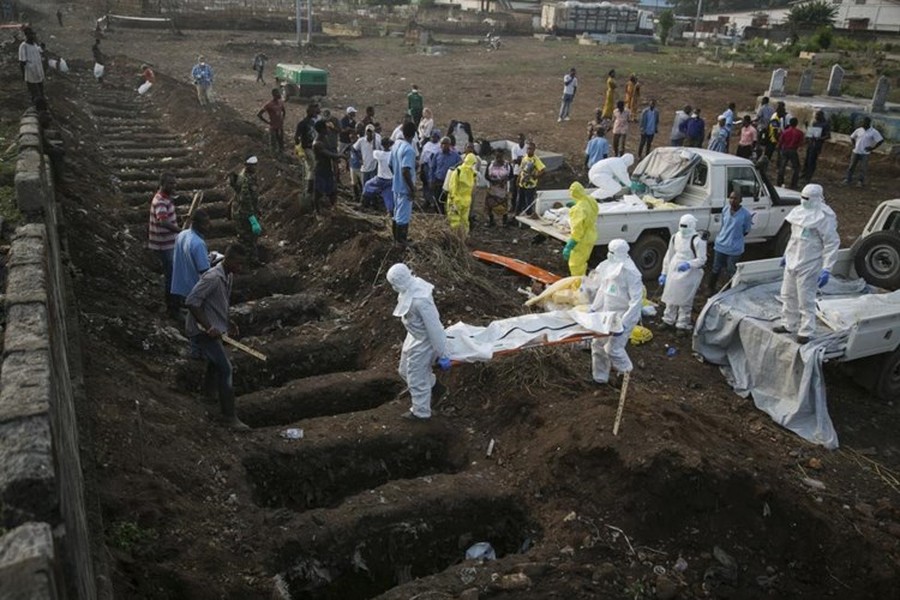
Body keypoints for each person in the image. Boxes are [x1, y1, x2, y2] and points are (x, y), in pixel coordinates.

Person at [185, 243, 250, 431]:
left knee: (215, 363)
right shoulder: (213, 278)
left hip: (212, 328)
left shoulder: (227, 276)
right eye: (238, 264)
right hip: (201, 332)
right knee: (226, 369)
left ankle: (207, 396)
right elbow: (191, 302)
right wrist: (209, 327)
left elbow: (219, 302)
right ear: (228, 260)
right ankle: (229, 417)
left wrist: (228, 322)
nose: (240, 268)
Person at [773, 184, 840, 344]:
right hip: (792, 261)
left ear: (816, 199)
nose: (804, 201)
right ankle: (789, 323)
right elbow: (794, 238)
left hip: (809, 264)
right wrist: (786, 255)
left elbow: (832, 243)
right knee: (787, 294)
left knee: (805, 298)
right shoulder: (798, 213)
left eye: (807, 199)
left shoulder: (824, 217)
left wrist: (827, 269)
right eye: (802, 197)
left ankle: (806, 330)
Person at [386, 263, 451, 421]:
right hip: (413, 336)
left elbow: (435, 328)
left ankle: (421, 413)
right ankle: (436, 389)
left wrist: (442, 354)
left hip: (424, 343)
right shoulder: (407, 290)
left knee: (416, 377)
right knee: (404, 371)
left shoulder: (421, 301)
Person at [586, 239, 643, 387]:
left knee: (613, 349)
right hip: (606, 314)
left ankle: (625, 374)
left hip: (622, 316)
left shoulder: (631, 273)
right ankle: (600, 378)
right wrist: (594, 307)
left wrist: (623, 324)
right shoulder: (609, 267)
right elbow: (603, 290)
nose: (609, 255)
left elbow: (636, 302)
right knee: (598, 344)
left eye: (612, 252)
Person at [658, 214, 707, 335]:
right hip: (674, 269)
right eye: (681, 226)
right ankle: (668, 320)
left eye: (686, 226)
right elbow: (669, 255)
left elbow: (702, 259)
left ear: (692, 226)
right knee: (671, 296)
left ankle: (682, 323)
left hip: (690, 272)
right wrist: (664, 273)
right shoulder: (675, 237)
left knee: (686, 299)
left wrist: (689, 264)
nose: (683, 228)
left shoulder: (697, 241)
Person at [148, 172, 181, 317]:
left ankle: (176, 304)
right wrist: (181, 231)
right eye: (171, 184)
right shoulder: (160, 201)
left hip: (168, 242)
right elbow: (163, 221)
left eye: (174, 183)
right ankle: (173, 308)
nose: (174, 186)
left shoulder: (166, 199)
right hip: (164, 244)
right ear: (163, 184)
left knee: (172, 274)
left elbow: (167, 217)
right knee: (172, 276)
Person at [708, 191, 752, 293]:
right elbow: (723, 225)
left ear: (740, 200)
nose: (732, 200)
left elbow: (746, 230)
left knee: (731, 271)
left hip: (734, 248)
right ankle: (710, 289)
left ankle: (728, 292)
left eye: (735, 198)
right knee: (716, 268)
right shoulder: (725, 209)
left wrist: (734, 238)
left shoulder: (745, 215)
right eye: (731, 198)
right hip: (720, 245)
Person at [171, 209, 211, 306]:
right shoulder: (198, 244)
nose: (208, 226)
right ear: (196, 224)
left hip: (180, 286)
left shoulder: (182, 234)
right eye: (205, 224)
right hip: (193, 288)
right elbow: (204, 271)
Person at [229, 156, 262, 264]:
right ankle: (244, 263)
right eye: (253, 165)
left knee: (251, 239)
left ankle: (253, 260)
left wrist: (257, 210)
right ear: (248, 165)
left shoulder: (250, 177)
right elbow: (245, 200)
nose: (255, 167)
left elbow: (253, 198)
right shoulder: (245, 180)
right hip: (243, 213)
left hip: (247, 212)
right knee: (246, 240)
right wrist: (252, 218)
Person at [390, 121, 418, 246]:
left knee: (397, 213)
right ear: (413, 134)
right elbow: (405, 170)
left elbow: (390, 164)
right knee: (403, 215)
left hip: (396, 186)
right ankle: (401, 241)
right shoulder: (409, 150)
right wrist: (412, 189)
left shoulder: (396, 145)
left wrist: (396, 177)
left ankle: (396, 239)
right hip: (404, 188)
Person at [562, 182, 598, 276]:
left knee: (575, 265)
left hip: (582, 239)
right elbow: (593, 210)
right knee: (583, 260)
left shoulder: (578, 210)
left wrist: (570, 245)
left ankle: (578, 285)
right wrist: (577, 202)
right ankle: (582, 281)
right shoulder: (590, 200)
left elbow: (577, 231)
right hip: (591, 234)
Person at [844, 117, 883, 187]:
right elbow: (852, 137)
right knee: (851, 166)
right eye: (862, 122)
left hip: (865, 153)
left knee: (863, 168)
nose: (862, 123)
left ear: (868, 123)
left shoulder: (873, 132)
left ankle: (860, 182)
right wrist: (854, 145)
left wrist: (872, 148)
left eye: (864, 122)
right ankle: (848, 179)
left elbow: (880, 140)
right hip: (856, 151)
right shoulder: (859, 130)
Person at [312, 120, 343, 211]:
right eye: (326, 127)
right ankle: (317, 211)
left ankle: (332, 210)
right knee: (318, 193)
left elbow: (331, 152)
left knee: (332, 192)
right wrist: (340, 156)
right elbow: (328, 154)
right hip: (320, 170)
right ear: (322, 129)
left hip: (327, 169)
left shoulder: (324, 139)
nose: (328, 129)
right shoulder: (317, 143)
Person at [446, 153, 478, 239]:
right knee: (454, 221)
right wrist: (454, 201)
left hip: (466, 202)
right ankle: (455, 238)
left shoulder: (472, 173)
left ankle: (463, 237)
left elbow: (472, 188)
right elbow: (453, 187)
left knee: (464, 221)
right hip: (456, 201)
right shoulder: (458, 171)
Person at [429, 136, 461, 214]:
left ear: (449, 145)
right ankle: (439, 214)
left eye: (446, 144)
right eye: (442, 143)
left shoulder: (455, 156)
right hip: (438, 181)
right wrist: (431, 180)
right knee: (437, 199)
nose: (444, 145)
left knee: (448, 200)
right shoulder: (437, 155)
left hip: (450, 183)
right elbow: (432, 168)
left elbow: (460, 167)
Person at [362, 137, 394, 212]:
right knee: (389, 198)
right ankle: (390, 212)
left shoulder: (379, 154)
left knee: (367, 185)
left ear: (382, 145)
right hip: (390, 180)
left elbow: (374, 150)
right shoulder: (392, 154)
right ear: (389, 144)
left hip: (380, 179)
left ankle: (364, 204)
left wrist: (374, 140)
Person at [294, 103, 319, 192]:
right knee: (312, 167)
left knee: (311, 168)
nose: (316, 113)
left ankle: (311, 187)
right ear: (309, 112)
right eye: (314, 111)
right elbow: (296, 137)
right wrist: (299, 150)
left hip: (313, 148)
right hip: (307, 148)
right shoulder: (303, 123)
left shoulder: (313, 122)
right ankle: (309, 189)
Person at [515, 141, 545, 217]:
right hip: (522, 183)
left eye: (531, 149)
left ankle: (529, 217)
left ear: (534, 150)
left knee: (528, 202)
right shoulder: (524, 158)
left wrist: (536, 176)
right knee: (519, 201)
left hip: (530, 185)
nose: (529, 150)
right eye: (528, 148)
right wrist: (518, 179)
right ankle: (516, 216)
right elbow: (521, 169)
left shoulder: (535, 160)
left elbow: (542, 170)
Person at [484, 148, 512, 227]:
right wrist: (493, 181)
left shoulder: (507, 165)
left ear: (503, 156)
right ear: (495, 156)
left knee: (503, 205)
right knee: (490, 204)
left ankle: (504, 221)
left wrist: (505, 180)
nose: (498, 159)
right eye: (497, 157)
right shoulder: (490, 164)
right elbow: (486, 175)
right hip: (492, 188)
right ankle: (491, 220)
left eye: (500, 157)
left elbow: (511, 175)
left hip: (502, 188)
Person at [802, 110, 830, 182]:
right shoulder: (815, 123)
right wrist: (807, 127)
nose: (816, 117)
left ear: (821, 116)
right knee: (807, 159)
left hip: (817, 145)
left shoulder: (825, 124)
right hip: (811, 143)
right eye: (815, 116)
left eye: (817, 115)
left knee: (812, 160)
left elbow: (828, 136)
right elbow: (811, 132)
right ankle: (804, 174)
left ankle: (809, 176)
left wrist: (819, 138)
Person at [18, 28, 45, 102]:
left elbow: (40, 51)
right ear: (27, 35)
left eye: (34, 34)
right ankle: (36, 108)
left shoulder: (35, 44)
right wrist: (24, 75)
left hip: (38, 73)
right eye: (31, 34)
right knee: (35, 94)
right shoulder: (23, 46)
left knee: (41, 92)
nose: (33, 36)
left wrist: (42, 47)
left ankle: (42, 107)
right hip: (31, 74)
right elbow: (22, 62)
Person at [777, 117, 803, 189]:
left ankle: (780, 182)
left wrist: (779, 149)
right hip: (793, 150)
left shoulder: (785, 132)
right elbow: (800, 144)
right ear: (796, 124)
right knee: (796, 168)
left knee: (782, 166)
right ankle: (793, 184)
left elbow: (780, 142)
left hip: (785, 150)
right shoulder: (799, 133)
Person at [257, 88, 286, 154]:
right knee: (273, 144)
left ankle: (281, 155)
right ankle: (273, 156)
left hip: (280, 127)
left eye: (279, 93)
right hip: (273, 127)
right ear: (273, 95)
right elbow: (259, 114)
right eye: (277, 94)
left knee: (281, 142)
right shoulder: (269, 105)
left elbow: (284, 111)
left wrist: (282, 119)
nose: (279, 95)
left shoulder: (281, 103)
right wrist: (267, 122)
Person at [355, 124, 382, 188]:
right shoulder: (361, 141)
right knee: (365, 186)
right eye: (368, 132)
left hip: (373, 167)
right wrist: (359, 158)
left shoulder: (377, 142)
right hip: (364, 168)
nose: (369, 133)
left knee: (373, 186)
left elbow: (380, 152)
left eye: (371, 132)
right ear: (365, 132)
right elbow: (354, 149)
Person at [509, 133, 526, 215]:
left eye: (522, 139)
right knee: (514, 190)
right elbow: (515, 160)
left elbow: (526, 160)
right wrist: (522, 159)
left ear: (524, 139)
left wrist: (520, 160)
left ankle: (522, 206)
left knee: (523, 190)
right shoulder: (514, 148)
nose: (520, 141)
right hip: (516, 171)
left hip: (525, 172)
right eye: (519, 139)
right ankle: (513, 206)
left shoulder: (526, 148)